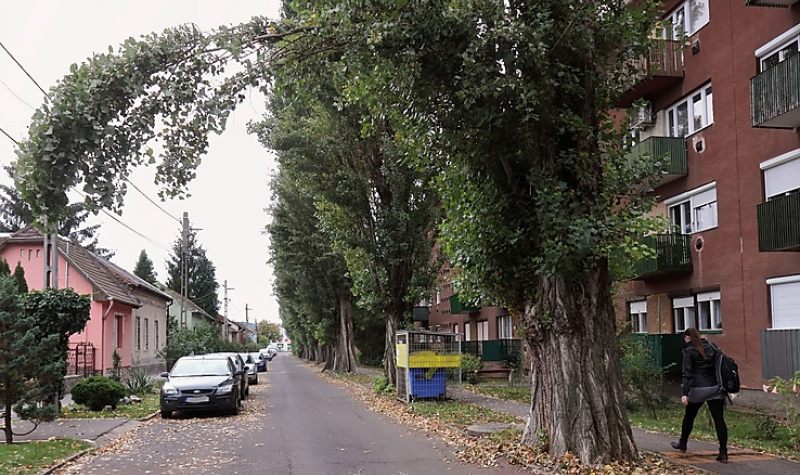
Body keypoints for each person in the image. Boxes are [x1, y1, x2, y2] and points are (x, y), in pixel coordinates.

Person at [671, 327, 728, 463]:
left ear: (687, 338)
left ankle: (683, 443)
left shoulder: (689, 351)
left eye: (684, 338)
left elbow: (687, 373)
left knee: (689, 417)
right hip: (715, 388)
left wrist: (685, 393)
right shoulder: (712, 347)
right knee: (719, 420)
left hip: (698, 390)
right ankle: (723, 452)